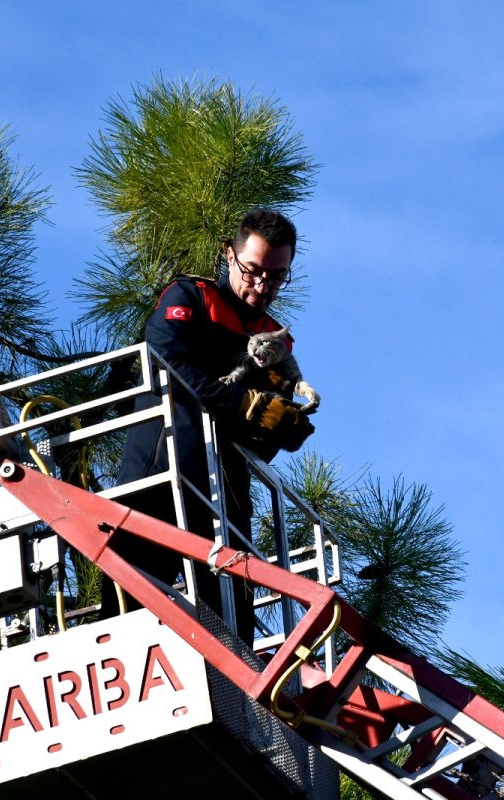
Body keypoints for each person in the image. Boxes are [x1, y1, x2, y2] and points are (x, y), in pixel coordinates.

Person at [100, 208, 314, 646]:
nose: (262, 287)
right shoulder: (191, 297)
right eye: (253, 271)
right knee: (125, 620)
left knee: (233, 637)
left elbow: (260, 432)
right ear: (229, 256)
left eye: (276, 277)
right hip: (159, 476)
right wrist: (247, 405)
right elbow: (169, 363)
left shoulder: (275, 340)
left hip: (227, 498)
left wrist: (282, 425)